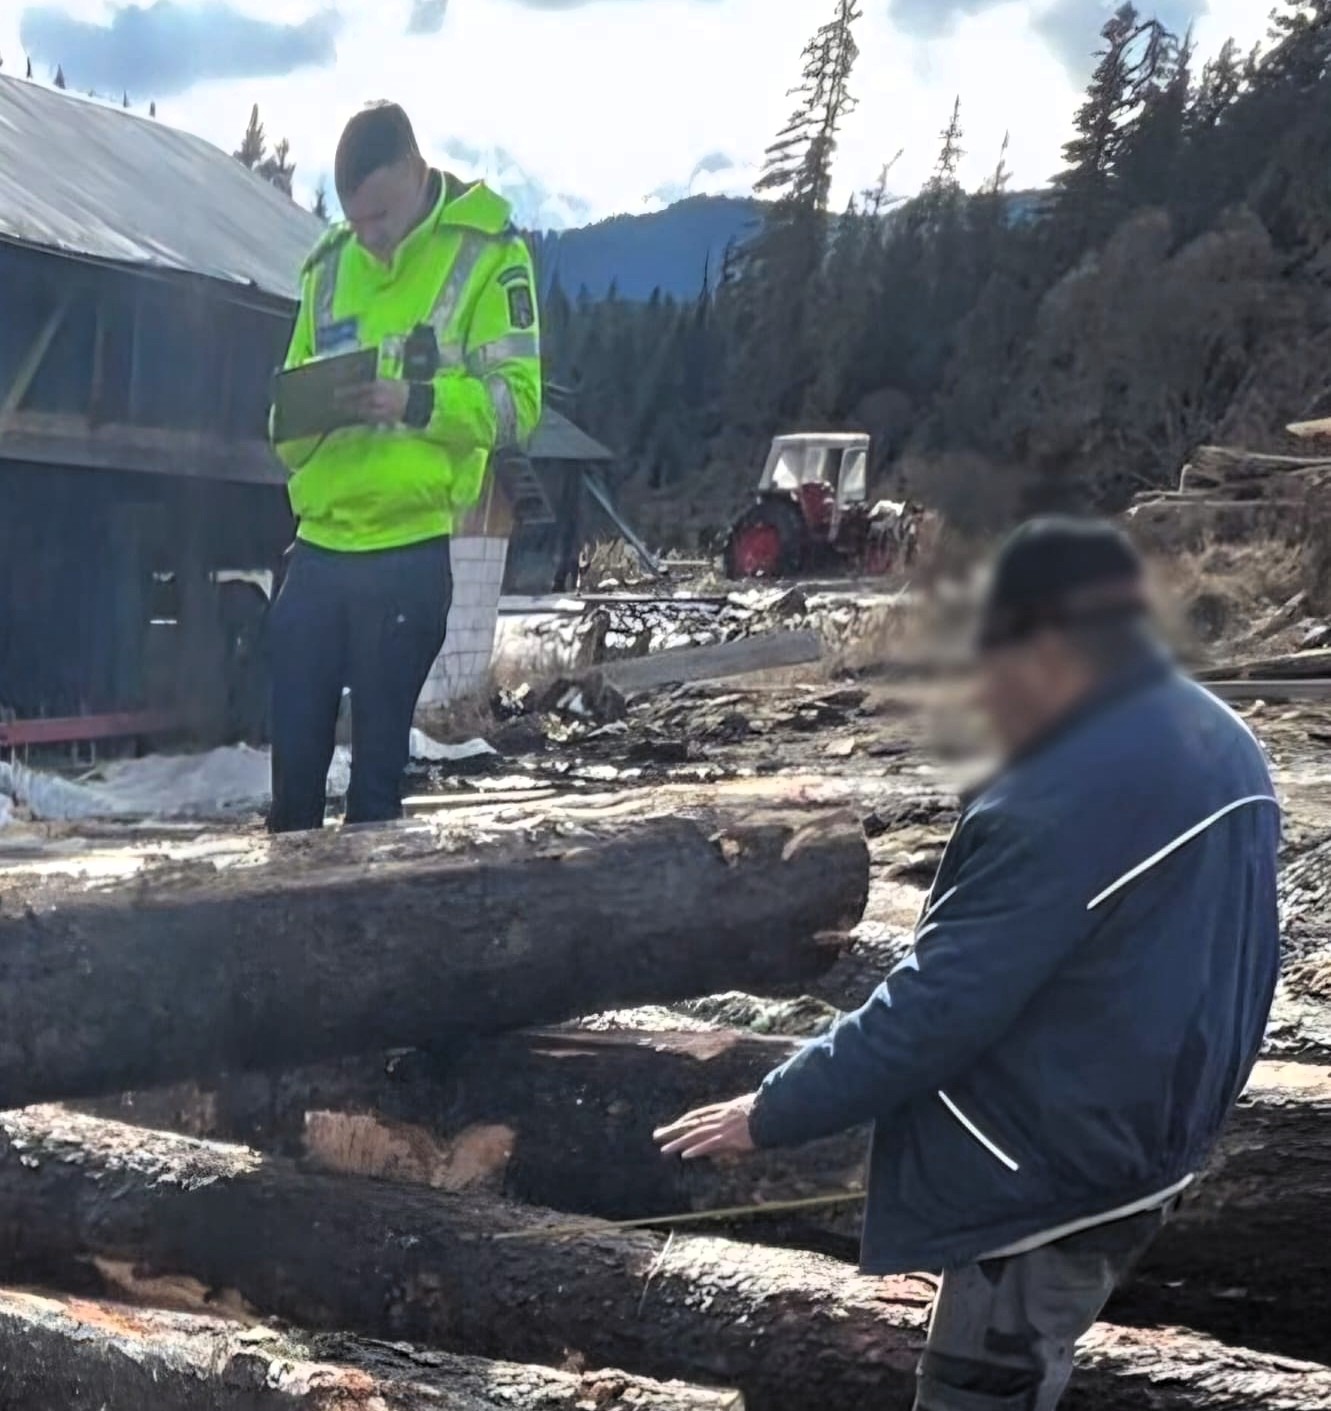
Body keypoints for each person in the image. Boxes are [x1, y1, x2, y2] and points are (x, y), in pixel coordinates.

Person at [656, 518, 1281, 1411]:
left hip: (1054, 1167)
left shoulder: (1066, 794)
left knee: (978, 1391)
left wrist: (770, 1111)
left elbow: (935, 1007)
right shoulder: (1210, 731)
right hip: (1150, 1128)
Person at [267, 102, 541, 832]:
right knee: (292, 778)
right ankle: (281, 931)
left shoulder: (487, 253)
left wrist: (413, 401)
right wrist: (311, 412)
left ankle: (366, 935)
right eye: (356, 220)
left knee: (374, 785)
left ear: (419, 173)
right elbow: (280, 421)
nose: (370, 236)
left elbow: (517, 405)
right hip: (319, 547)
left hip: (407, 551)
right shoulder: (327, 269)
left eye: (381, 216)